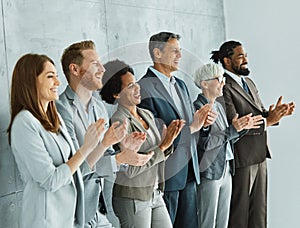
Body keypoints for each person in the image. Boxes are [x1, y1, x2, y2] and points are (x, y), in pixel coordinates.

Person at [56, 40, 153, 228]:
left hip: (99, 211)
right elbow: (74, 170)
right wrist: (117, 158)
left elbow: (104, 157)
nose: (102, 69)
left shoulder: (99, 108)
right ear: (75, 70)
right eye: (95, 64)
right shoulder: (60, 111)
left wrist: (123, 152)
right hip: (74, 214)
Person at [7, 53, 104, 228]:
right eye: (50, 77)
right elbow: (50, 180)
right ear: (30, 81)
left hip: (70, 219)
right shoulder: (24, 123)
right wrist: (86, 148)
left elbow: (74, 169)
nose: (58, 83)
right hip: (46, 221)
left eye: (57, 77)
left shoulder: (55, 118)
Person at [210, 40, 295, 228]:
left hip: (259, 155)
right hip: (242, 158)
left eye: (246, 55)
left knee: (259, 212)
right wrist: (269, 120)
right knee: (240, 212)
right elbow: (235, 123)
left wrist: (276, 114)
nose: (245, 59)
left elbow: (260, 114)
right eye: (240, 56)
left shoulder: (248, 82)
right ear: (227, 61)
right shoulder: (223, 86)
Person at [138, 31, 213, 228]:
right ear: (157, 53)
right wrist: (193, 127)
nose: (180, 56)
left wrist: (202, 124)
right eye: (174, 51)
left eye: (180, 51)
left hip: (189, 170)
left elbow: (191, 124)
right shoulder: (143, 88)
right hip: (167, 173)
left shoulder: (181, 85)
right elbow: (154, 135)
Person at [100, 59, 185, 228]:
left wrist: (168, 141)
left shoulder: (146, 114)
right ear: (116, 94)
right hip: (133, 197)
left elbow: (160, 152)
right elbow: (131, 169)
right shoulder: (119, 121)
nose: (137, 87)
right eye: (130, 85)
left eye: (136, 82)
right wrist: (162, 146)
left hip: (154, 191)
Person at [193, 63, 264, 228]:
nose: (223, 84)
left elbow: (227, 138)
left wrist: (241, 128)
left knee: (223, 223)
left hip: (226, 169)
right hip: (210, 172)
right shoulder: (198, 108)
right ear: (204, 83)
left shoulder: (218, 105)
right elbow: (205, 143)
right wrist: (233, 129)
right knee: (208, 222)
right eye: (219, 79)